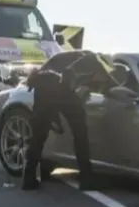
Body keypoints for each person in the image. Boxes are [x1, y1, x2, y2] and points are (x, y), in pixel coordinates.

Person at [21, 50, 122, 191]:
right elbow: (110, 85)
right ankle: (86, 179)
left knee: (38, 136)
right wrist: (120, 90)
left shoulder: (66, 57)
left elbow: (39, 76)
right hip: (62, 89)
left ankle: (28, 179)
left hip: (42, 88)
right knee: (80, 133)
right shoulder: (93, 60)